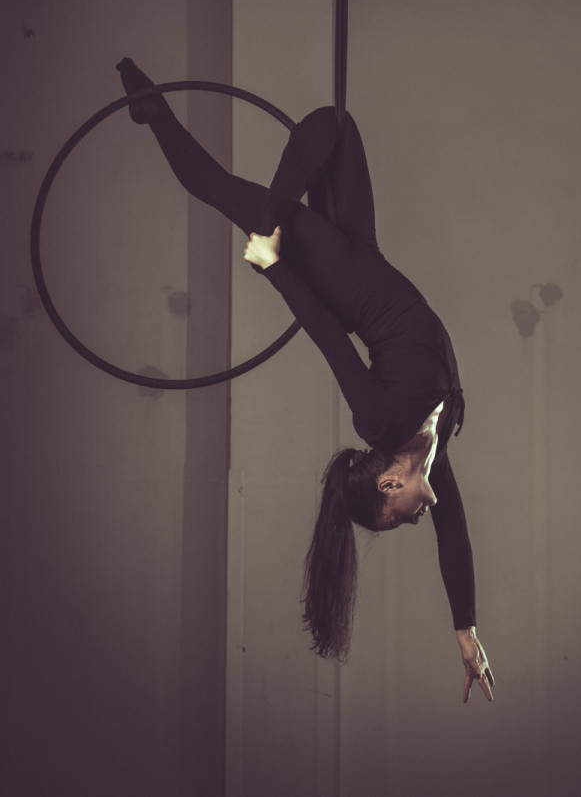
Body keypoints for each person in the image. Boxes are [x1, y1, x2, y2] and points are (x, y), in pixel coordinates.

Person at [116, 58, 494, 702]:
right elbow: (454, 540)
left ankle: (151, 109)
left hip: (336, 276)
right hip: (363, 252)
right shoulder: (437, 449)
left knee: (235, 174)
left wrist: (272, 262)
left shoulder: (380, 422)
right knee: (338, 126)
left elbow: (328, 338)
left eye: (394, 520)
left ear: (389, 484)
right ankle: (217, 164)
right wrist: (467, 632)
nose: (412, 523)